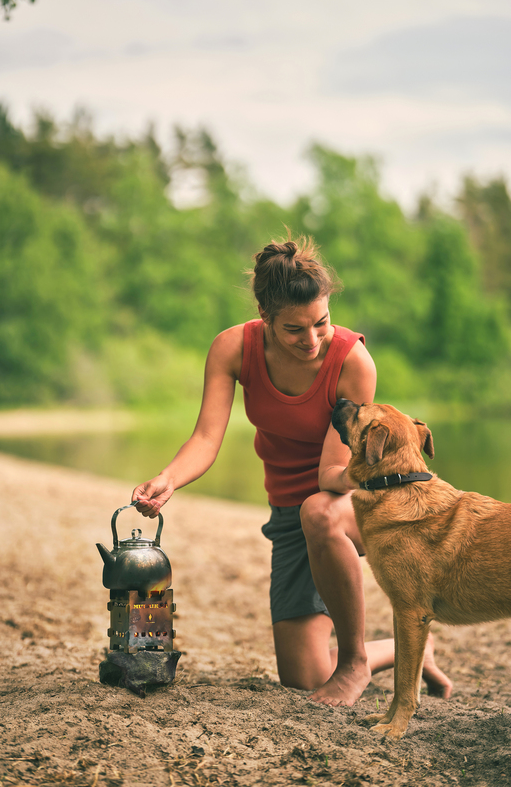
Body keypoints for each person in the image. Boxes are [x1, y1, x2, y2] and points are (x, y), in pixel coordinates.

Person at [132, 235, 452, 707]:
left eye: (321, 323)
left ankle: (354, 663)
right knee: (302, 677)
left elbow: (333, 472)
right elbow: (205, 438)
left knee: (319, 511)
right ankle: (408, 654)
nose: (312, 340)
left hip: (347, 503)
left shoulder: (352, 361)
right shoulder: (232, 349)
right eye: (294, 330)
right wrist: (168, 479)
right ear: (265, 318)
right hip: (288, 512)